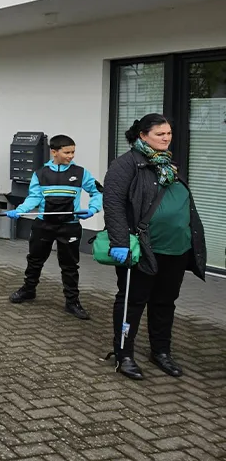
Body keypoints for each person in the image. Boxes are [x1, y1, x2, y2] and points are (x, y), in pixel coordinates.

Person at [103, 113, 206, 380]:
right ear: (142, 135)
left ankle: (161, 351)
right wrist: (120, 242)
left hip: (176, 250)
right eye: (160, 134)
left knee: (164, 303)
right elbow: (113, 205)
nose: (166, 138)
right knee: (132, 303)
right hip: (143, 250)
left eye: (169, 133)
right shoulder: (125, 165)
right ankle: (124, 354)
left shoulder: (168, 165)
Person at [6, 135, 102, 320]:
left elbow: (97, 191)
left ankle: (72, 301)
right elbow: (34, 197)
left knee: (70, 265)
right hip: (44, 224)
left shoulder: (81, 173)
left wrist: (92, 209)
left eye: (73, 152)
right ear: (54, 152)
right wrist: (19, 210)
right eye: (67, 152)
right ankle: (28, 290)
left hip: (70, 225)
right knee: (35, 260)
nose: (71, 156)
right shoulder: (40, 174)